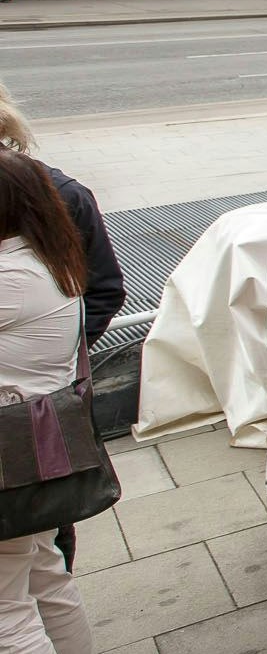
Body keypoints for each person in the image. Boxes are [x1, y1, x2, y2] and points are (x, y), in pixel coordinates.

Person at [0, 85, 125, 575]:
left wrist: (54, 360)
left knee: (46, 528)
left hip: (40, 405)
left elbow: (103, 289)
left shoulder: (61, 194)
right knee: (42, 565)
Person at [0, 149, 96, 654]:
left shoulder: (10, 282)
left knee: (7, 612)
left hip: (8, 459)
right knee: (46, 579)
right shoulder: (43, 262)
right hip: (31, 453)